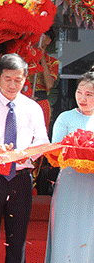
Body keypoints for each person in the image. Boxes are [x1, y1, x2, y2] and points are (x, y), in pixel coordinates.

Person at [0, 53, 49, 263]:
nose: (13, 85)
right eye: (8, 79)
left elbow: (42, 140)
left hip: (21, 177)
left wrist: (24, 153)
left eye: (18, 80)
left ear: (25, 79)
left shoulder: (32, 107)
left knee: (17, 240)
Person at [44, 69, 94, 263]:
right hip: (69, 182)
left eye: (89, 94)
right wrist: (75, 151)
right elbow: (54, 154)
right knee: (66, 229)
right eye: (80, 92)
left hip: (91, 185)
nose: (82, 98)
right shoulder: (65, 118)